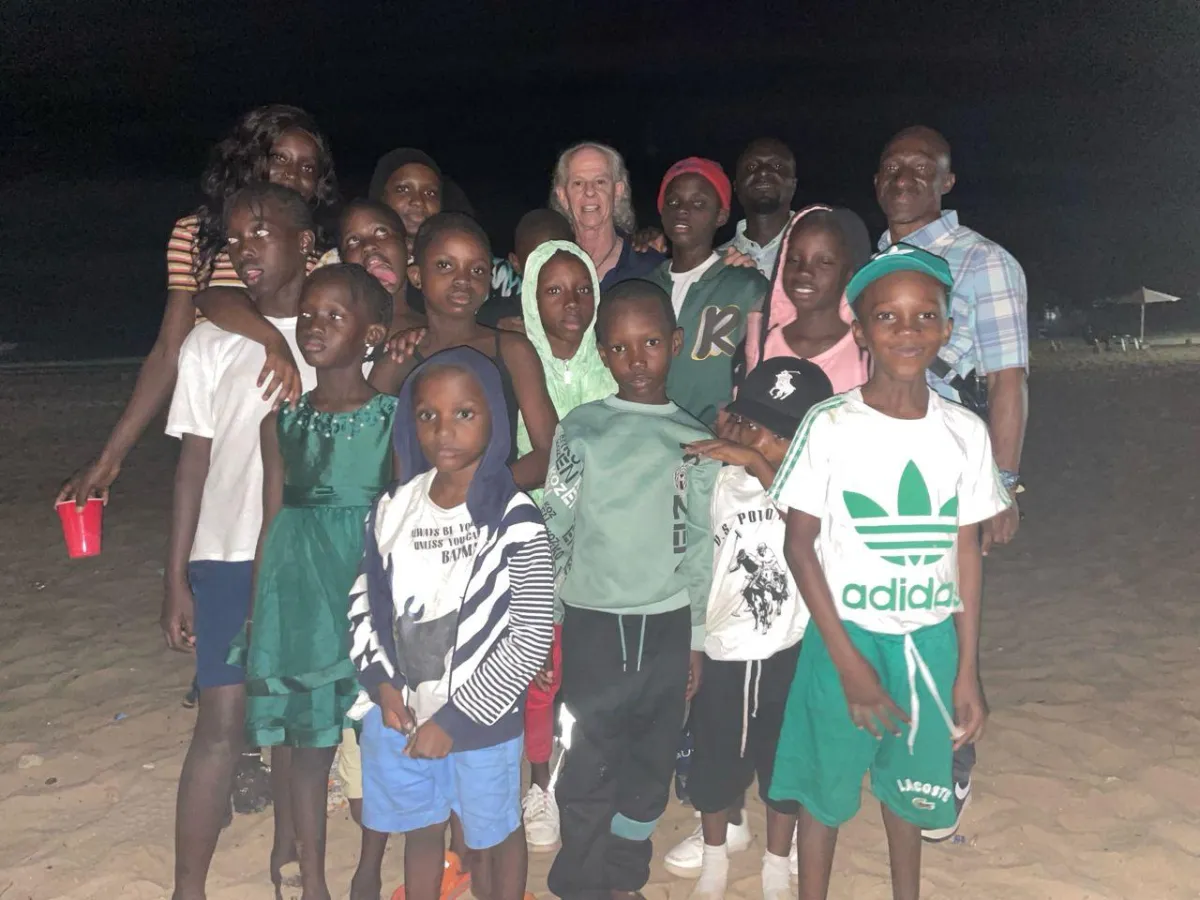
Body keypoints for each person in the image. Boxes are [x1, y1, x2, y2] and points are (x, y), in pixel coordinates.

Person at [768, 245, 1011, 900]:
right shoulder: (829, 425)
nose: (908, 330)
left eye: (925, 315)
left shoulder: (964, 433)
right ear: (861, 331)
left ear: (947, 329)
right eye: (888, 317)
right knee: (824, 797)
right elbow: (800, 546)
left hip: (928, 643)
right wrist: (849, 666)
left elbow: (966, 552)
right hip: (842, 640)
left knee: (910, 793)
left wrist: (966, 669)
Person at [347, 346, 555, 900]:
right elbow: (365, 599)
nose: (444, 430)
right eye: (427, 415)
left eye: (464, 413)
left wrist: (456, 721)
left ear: (494, 417)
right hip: (402, 714)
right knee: (421, 830)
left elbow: (530, 635)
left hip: (481, 721)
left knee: (493, 837)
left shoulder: (517, 520)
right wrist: (382, 686)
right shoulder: (392, 509)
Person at [161, 183, 321, 900]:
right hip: (224, 556)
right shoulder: (210, 341)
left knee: (291, 723)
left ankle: (291, 859)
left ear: (305, 244)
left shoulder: (333, 333)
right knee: (221, 725)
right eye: (234, 237)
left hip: (305, 561)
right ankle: (187, 887)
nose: (243, 248)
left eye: (261, 232)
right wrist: (175, 577)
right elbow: (191, 466)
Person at [59, 104, 337, 514]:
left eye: (307, 167)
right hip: (212, 426)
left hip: (291, 419)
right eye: (279, 158)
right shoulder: (195, 236)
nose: (292, 174)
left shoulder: (320, 252)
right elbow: (169, 350)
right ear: (250, 159)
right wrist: (109, 460)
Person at [875, 125, 1029, 839]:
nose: (904, 177)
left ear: (947, 181)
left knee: (945, 614)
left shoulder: (983, 262)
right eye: (892, 166)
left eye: (921, 167)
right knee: (889, 610)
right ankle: (901, 753)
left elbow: (1007, 381)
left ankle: (951, 765)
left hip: (948, 471)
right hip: (873, 470)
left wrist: (1003, 485)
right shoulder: (872, 261)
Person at [543, 280, 720, 900]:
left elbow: (700, 542)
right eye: (619, 348)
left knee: (651, 758)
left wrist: (695, 637)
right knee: (587, 756)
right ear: (602, 353)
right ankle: (580, 880)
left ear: (675, 342)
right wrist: (547, 620)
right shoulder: (582, 428)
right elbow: (556, 526)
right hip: (591, 624)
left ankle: (623, 876)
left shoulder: (694, 441)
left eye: (650, 343)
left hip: (666, 626)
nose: (636, 359)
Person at [234, 264, 396, 900]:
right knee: (308, 741)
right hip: (300, 595)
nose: (315, 325)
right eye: (307, 314)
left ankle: (369, 868)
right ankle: (316, 883)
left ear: (371, 334)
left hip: (367, 586)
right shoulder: (281, 423)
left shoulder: (391, 417)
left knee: (377, 733)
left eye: (334, 315)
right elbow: (271, 522)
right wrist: (260, 613)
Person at [673, 357, 833, 900]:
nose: (761, 443)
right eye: (752, 427)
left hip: (791, 646)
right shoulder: (716, 482)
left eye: (780, 437)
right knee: (716, 762)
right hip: (726, 650)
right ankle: (715, 858)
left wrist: (761, 465)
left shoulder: (812, 486)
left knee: (784, 764)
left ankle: (776, 865)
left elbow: (816, 532)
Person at [513, 239, 615, 851]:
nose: (571, 302)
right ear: (531, 298)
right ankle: (538, 786)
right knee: (539, 672)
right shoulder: (516, 363)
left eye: (582, 289)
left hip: (603, 546)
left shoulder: (613, 367)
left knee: (592, 673)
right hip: (535, 543)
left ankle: (583, 780)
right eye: (553, 290)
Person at [372, 212, 558, 491]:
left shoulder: (512, 350)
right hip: (417, 513)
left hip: (493, 507)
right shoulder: (399, 360)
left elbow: (550, 451)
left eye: (477, 270)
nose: (463, 279)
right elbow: (366, 453)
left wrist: (474, 493)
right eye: (445, 265)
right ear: (417, 276)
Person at [645, 157, 768, 426]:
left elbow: (762, 371)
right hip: (649, 434)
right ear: (662, 211)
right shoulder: (645, 288)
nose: (683, 210)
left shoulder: (747, 286)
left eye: (699, 203)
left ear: (720, 215)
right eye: (673, 202)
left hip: (714, 439)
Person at [744, 206, 872, 392]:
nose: (804, 272)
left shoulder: (866, 353)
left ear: (849, 273)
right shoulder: (761, 344)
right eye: (794, 260)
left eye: (824, 262)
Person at [550, 141, 664, 289]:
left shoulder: (651, 269)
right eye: (578, 183)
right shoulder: (547, 267)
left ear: (618, 191)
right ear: (563, 196)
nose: (589, 191)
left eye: (600, 182)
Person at [337, 198, 426, 336]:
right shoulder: (332, 329)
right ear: (343, 261)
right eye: (353, 240)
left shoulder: (433, 332)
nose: (368, 246)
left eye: (381, 232)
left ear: (408, 248)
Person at [477, 208, 574, 330]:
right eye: (537, 261)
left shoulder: (588, 308)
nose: (549, 270)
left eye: (558, 257)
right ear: (516, 263)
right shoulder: (491, 317)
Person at [718, 138, 799, 278]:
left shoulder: (823, 252)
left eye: (777, 166)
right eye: (751, 167)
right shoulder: (717, 263)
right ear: (736, 186)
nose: (763, 172)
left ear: (793, 184)